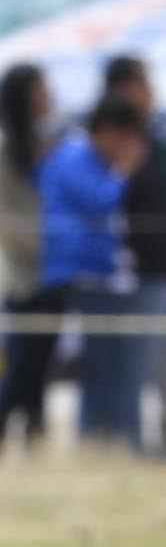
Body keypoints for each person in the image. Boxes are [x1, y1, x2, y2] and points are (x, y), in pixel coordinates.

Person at [19, 95, 140, 451]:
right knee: (85, 360)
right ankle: (89, 432)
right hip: (72, 272)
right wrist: (124, 170)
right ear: (106, 132)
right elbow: (102, 200)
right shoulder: (74, 158)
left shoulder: (72, 156)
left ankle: (89, 433)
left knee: (66, 360)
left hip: (83, 271)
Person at [86, 53, 166, 456]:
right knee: (132, 365)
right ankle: (130, 444)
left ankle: (160, 442)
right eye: (144, 84)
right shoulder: (102, 145)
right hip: (129, 271)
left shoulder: (154, 142)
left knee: (161, 364)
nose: (151, 93)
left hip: (162, 267)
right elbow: (101, 204)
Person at [0, 64, 51, 449]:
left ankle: (35, 436)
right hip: (15, 276)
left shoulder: (50, 145)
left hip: (49, 276)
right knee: (14, 365)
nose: (48, 95)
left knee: (37, 367)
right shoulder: (6, 149)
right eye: (40, 89)